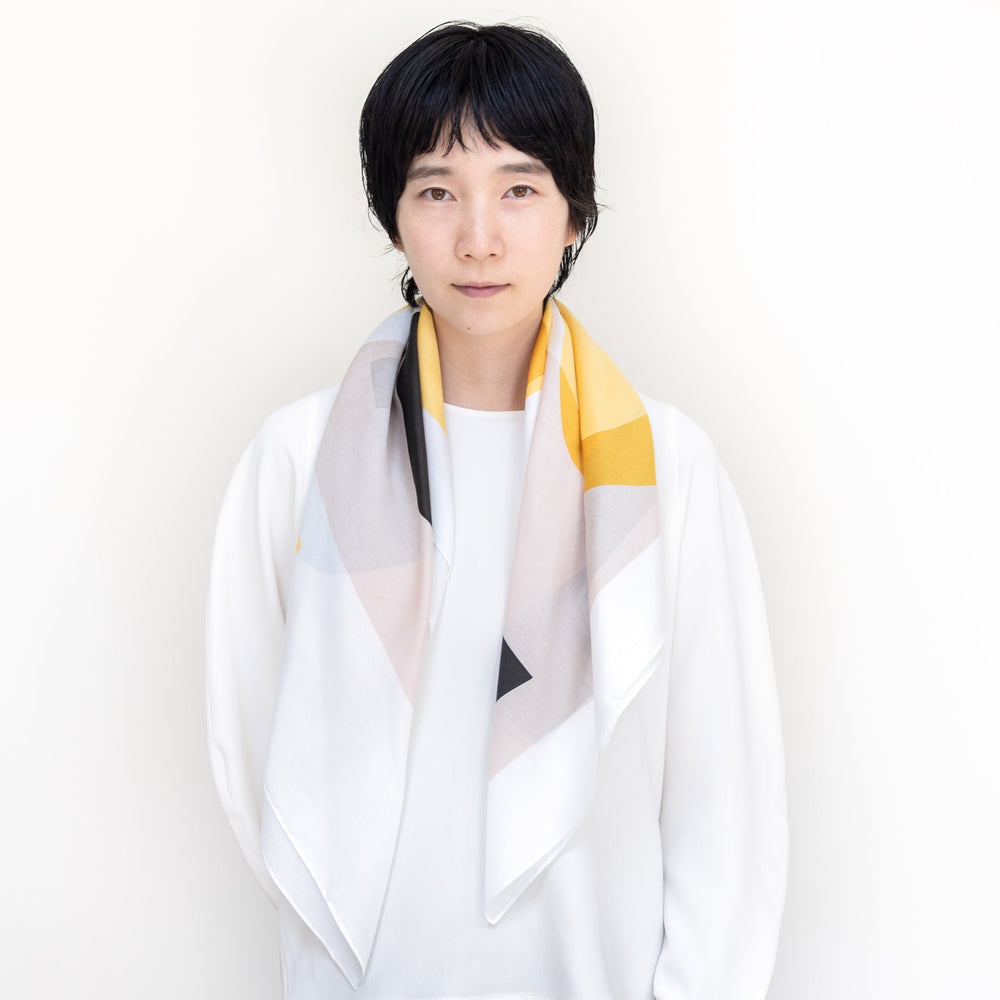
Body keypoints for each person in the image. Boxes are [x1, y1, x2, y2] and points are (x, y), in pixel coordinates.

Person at [207, 21, 787, 1000]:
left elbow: (723, 791)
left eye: (519, 189)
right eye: (437, 191)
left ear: (574, 216)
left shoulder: (662, 466)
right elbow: (260, 750)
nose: (478, 237)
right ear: (393, 216)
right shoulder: (298, 457)